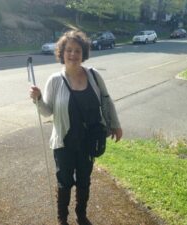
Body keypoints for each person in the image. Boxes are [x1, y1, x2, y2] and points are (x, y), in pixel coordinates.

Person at [30, 30, 122, 225]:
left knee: (84, 181)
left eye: (77, 50)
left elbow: (106, 100)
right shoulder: (55, 80)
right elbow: (47, 111)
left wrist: (115, 124)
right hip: (64, 142)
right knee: (64, 182)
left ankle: (81, 216)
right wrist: (37, 99)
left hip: (88, 141)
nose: (73, 55)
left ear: (83, 54)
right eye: (69, 50)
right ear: (62, 53)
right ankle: (62, 218)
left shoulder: (94, 76)